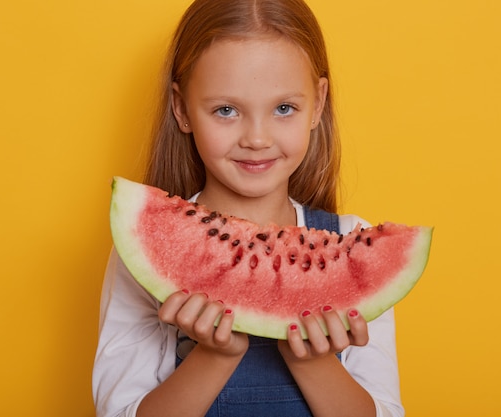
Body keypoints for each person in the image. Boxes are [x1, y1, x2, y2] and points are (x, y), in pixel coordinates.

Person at [93, 0, 404, 416]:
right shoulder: (136, 254)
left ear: (318, 103)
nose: (257, 138)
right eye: (226, 110)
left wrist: (310, 359)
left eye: (283, 108)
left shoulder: (351, 241)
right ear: (182, 109)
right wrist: (214, 356)